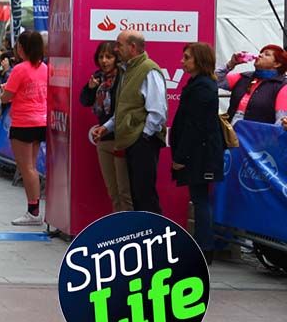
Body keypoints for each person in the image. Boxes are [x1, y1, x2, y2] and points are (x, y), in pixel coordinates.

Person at [91, 31, 167, 214]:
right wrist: (106, 127)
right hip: (132, 141)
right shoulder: (127, 70)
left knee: (145, 194)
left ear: (132, 48)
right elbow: (124, 109)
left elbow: (157, 111)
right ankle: (142, 237)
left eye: (119, 45)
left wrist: (144, 136)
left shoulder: (149, 70)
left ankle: (155, 238)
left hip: (142, 142)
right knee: (136, 195)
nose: (116, 49)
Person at [170, 42, 225, 263]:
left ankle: (205, 246)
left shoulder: (203, 87)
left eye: (187, 57)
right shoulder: (197, 84)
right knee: (198, 198)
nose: (182, 62)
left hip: (200, 154)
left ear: (199, 60)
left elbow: (195, 126)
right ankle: (203, 244)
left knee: (200, 199)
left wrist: (181, 157)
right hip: (197, 152)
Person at [0, 31, 49, 226]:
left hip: (23, 123)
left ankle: (33, 211)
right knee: (32, 166)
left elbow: (6, 97)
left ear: (23, 48)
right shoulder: (44, 67)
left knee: (27, 168)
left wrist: (2, 93)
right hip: (40, 122)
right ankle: (35, 210)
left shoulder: (19, 69)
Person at [80, 41, 130, 212]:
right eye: (101, 57)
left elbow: (125, 108)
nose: (104, 61)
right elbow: (85, 101)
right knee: (113, 191)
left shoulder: (124, 77)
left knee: (125, 191)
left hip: (121, 138)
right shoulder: (98, 77)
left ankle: (130, 230)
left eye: (108, 57)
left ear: (116, 58)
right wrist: (90, 88)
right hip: (103, 139)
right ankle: (119, 228)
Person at [221, 44, 287, 125]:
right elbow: (213, 79)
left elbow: (280, 122)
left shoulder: (282, 86)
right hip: (230, 133)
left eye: (267, 54)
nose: (260, 55)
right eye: (261, 53)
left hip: (257, 135)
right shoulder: (243, 77)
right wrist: (231, 63)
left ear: (277, 64)